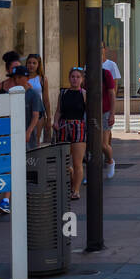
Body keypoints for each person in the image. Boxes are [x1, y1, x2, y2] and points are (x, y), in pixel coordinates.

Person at [0, 65, 43, 214]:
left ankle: (32, 198)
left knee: (28, 169)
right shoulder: (12, 93)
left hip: (26, 138)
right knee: (13, 167)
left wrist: (28, 132)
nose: (16, 80)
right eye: (14, 78)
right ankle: (6, 200)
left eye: (18, 77)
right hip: (12, 136)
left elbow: (36, 115)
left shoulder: (33, 95)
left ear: (26, 78)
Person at [54, 67, 87, 200]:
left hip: (78, 127)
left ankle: (76, 190)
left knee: (77, 162)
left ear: (82, 79)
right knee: (64, 162)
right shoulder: (63, 93)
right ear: (69, 78)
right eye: (73, 76)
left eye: (78, 77)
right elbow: (58, 110)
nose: (75, 79)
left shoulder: (84, 94)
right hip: (64, 126)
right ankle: (72, 181)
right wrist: (55, 122)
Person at [25, 53, 51, 125]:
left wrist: (48, 117)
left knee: (37, 136)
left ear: (38, 65)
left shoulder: (42, 79)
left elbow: (46, 100)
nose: (31, 65)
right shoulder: (22, 78)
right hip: (25, 111)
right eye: (29, 63)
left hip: (39, 111)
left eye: (34, 63)